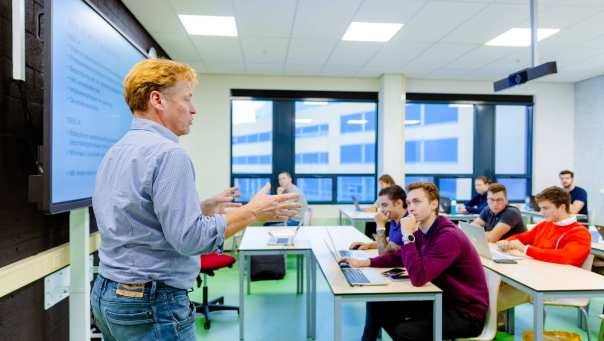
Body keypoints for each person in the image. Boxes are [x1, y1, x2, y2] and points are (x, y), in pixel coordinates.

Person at [90, 59, 300, 341]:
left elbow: (137, 216)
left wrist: (200, 209)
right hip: (151, 303)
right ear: (157, 100)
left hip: (109, 294)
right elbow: (189, 240)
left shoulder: (116, 151)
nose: (193, 108)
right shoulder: (168, 154)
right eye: (187, 98)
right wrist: (252, 212)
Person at [341, 182, 488, 341]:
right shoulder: (422, 230)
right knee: (377, 304)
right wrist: (366, 262)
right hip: (440, 299)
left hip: (465, 313)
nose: (411, 208)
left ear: (434, 204)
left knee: (405, 331)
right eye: (409, 202)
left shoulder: (448, 236)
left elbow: (419, 278)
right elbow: (398, 256)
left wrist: (407, 236)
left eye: (417, 202)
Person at [495, 186, 592, 314]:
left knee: (494, 298)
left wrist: (526, 249)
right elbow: (522, 238)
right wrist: (507, 242)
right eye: (541, 208)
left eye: (546, 208)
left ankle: (480, 320)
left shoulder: (580, 233)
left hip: (555, 284)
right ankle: (491, 323)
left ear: (562, 207)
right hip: (536, 276)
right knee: (495, 284)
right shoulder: (546, 225)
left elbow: (565, 257)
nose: (541, 213)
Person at [349, 185, 408, 255]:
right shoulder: (394, 219)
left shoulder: (408, 223)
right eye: (381, 206)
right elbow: (391, 241)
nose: (382, 210)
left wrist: (380, 226)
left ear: (398, 203)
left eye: (385, 205)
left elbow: (384, 255)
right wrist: (368, 245)